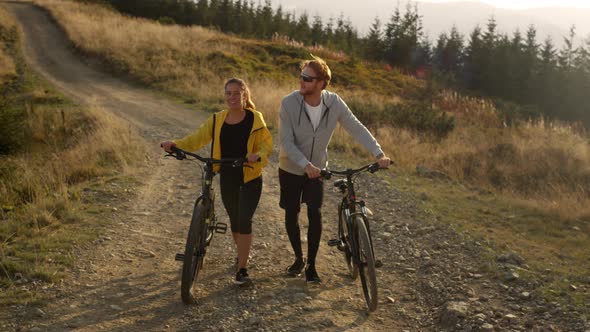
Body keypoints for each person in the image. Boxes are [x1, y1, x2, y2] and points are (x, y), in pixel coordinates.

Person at [278, 56, 391, 283]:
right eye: (301, 77)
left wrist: (379, 153)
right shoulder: (288, 103)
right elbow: (286, 142)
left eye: (307, 79)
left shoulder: (334, 103)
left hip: (318, 169)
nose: (302, 82)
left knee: (315, 212)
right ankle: (298, 258)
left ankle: (311, 265)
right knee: (292, 214)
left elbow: (356, 127)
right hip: (291, 167)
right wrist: (305, 165)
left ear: (321, 83)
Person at [161, 78, 272, 286]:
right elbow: (197, 139)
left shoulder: (255, 119)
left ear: (244, 95)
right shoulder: (217, 119)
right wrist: (176, 144)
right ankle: (241, 256)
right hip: (227, 175)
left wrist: (257, 155)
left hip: (250, 175)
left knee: (244, 219)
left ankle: (242, 269)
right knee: (234, 220)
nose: (231, 97)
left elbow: (267, 145)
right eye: (228, 93)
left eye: (236, 93)